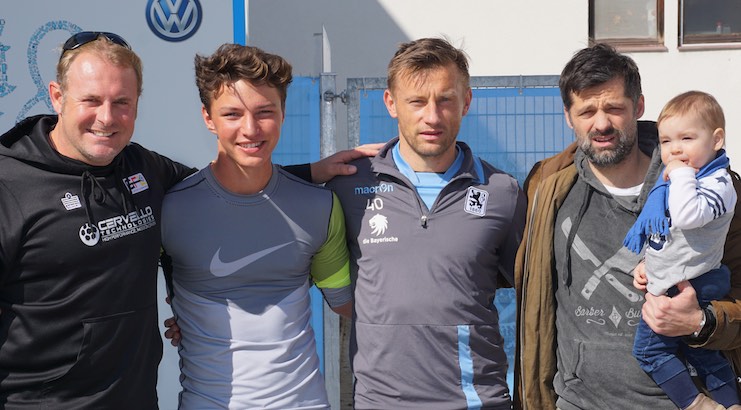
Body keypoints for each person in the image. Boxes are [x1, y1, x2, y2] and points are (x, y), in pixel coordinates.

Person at [0, 31, 373, 408]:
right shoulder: (10, 183)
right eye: (91, 101)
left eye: (122, 102)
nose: (107, 117)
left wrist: (311, 174)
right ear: (57, 96)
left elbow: (230, 185)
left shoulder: (147, 173)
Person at [514, 43, 741, 410]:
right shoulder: (547, 188)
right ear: (568, 117)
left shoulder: (710, 192)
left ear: (638, 107)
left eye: (614, 108)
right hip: (579, 403)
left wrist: (702, 321)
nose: (601, 123)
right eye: (586, 111)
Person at [325, 37, 526, 409]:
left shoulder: (502, 192)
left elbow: (534, 289)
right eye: (416, 101)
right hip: (380, 402)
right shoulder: (347, 187)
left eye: (445, 99)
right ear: (391, 104)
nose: (432, 116)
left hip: (475, 401)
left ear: (466, 102)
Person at [159, 43, 353, 409]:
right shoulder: (171, 208)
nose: (251, 129)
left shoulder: (319, 206)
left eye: (265, 112)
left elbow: (348, 304)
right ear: (208, 118)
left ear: (282, 113)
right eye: (232, 114)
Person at [625, 90, 738, 409]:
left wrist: (682, 174)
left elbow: (688, 217)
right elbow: (672, 234)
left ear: (717, 140)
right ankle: (730, 404)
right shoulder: (681, 184)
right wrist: (649, 261)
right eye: (666, 141)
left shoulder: (718, 184)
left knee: (649, 352)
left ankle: (695, 403)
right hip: (679, 276)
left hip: (696, 282)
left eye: (687, 138)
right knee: (700, 352)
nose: (675, 150)